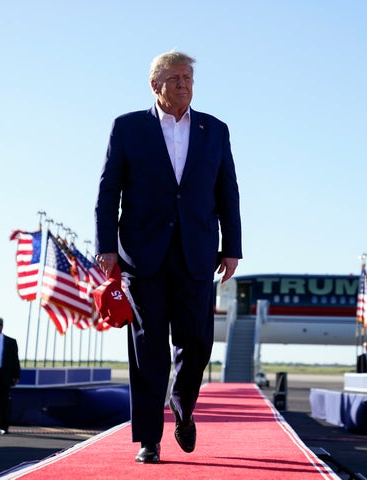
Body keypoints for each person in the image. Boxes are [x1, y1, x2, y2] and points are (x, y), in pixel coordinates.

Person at [94, 51, 242, 464]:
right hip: (142, 254)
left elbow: (227, 192)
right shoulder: (127, 128)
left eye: (188, 78)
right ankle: (149, 439)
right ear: (155, 84)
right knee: (149, 348)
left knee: (197, 340)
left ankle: (182, 404)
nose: (183, 84)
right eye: (175, 78)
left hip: (197, 252)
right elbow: (109, 191)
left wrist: (232, 248)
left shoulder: (215, 129)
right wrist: (106, 247)